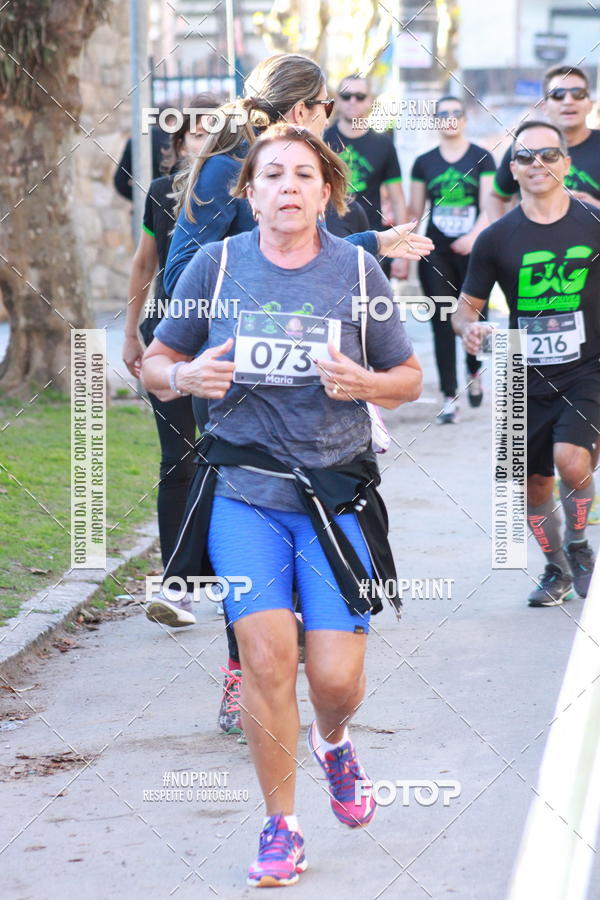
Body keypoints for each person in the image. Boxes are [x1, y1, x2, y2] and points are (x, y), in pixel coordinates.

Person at [141, 124, 423, 887]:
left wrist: (366, 385)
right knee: (266, 658)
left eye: (304, 174)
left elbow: (407, 375)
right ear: (251, 191)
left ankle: (334, 743)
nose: (288, 186)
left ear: (327, 191)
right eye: (273, 174)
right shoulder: (215, 263)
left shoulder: (358, 271)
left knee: (333, 679)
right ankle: (281, 826)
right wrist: (185, 375)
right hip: (245, 494)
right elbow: (157, 363)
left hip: (334, 494)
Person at [160, 53, 433, 742]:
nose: (332, 120)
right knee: (242, 497)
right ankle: (241, 669)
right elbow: (180, 266)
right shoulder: (230, 168)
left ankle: (301, 642)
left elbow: (319, 249)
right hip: (223, 364)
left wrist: (370, 243)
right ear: (300, 109)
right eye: (323, 107)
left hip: (307, 385)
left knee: (308, 506)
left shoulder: (297, 176)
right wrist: (191, 349)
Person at [453, 120, 599, 606]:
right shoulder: (497, 238)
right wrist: (469, 329)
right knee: (532, 485)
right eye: (524, 157)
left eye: (549, 156)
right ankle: (556, 568)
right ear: (511, 170)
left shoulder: (592, 222)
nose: (537, 164)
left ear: (566, 164)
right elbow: (465, 309)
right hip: (523, 371)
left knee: (569, 458)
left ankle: (579, 543)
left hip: (588, 366)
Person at [121, 94, 220, 628]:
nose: (203, 141)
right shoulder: (161, 193)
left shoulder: (237, 193)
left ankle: (241, 582)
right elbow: (144, 262)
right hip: (169, 336)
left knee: (227, 460)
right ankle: (176, 589)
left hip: (224, 340)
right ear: (179, 144)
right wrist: (133, 333)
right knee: (179, 460)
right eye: (194, 133)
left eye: (213, 131)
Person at [409, 95, 496, 424]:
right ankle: (449, 396)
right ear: (435, 120)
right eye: (442, 114)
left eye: (455, 113)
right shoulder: (423, 162)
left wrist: (474, 236)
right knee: (442, 320)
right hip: (436, 251)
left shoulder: (482, 157)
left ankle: (475, 373)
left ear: (465, 118)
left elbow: (490, 204)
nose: (449, 118)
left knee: (475, 317)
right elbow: (415, 211)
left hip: (475, 250)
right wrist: (407, 248)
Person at [487, 65, 600, 222]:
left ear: (590, 104)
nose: (568, 101)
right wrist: (500, 238)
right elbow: (496, 196)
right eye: (558, 94)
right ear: (544, 107)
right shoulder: (523, 147)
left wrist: (595, 206)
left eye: (578, 94)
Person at [324, 74, 407, 278]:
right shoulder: (322, 139)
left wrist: (402, 255)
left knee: (374, 307)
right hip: (329, 237)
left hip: (375, 239)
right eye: (346, 95)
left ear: (370, 101)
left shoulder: (383, 144)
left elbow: (397, 198)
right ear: (337, 100)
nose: (353, 101)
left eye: (360, 96)